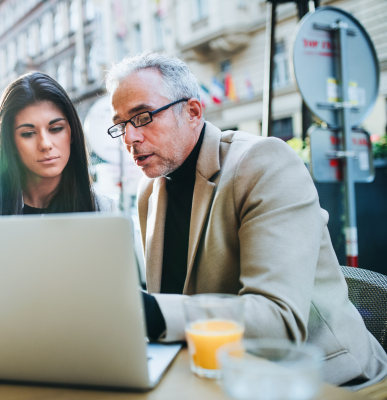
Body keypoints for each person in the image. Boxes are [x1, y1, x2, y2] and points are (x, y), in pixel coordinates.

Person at [105, 52, 387, 390]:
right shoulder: (150, 188)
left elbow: (278, 320)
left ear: (193, 112)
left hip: (325, 382)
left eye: (143, 117)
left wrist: (150, 312)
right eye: (121, 125)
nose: (129, 138)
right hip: (216, 376)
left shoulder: (263, 163)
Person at [0, 72, 114, 215]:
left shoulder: (100, 209)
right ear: (11, 142)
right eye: (28, 134)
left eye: (56, 129)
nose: (45, 144)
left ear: (72, 134)